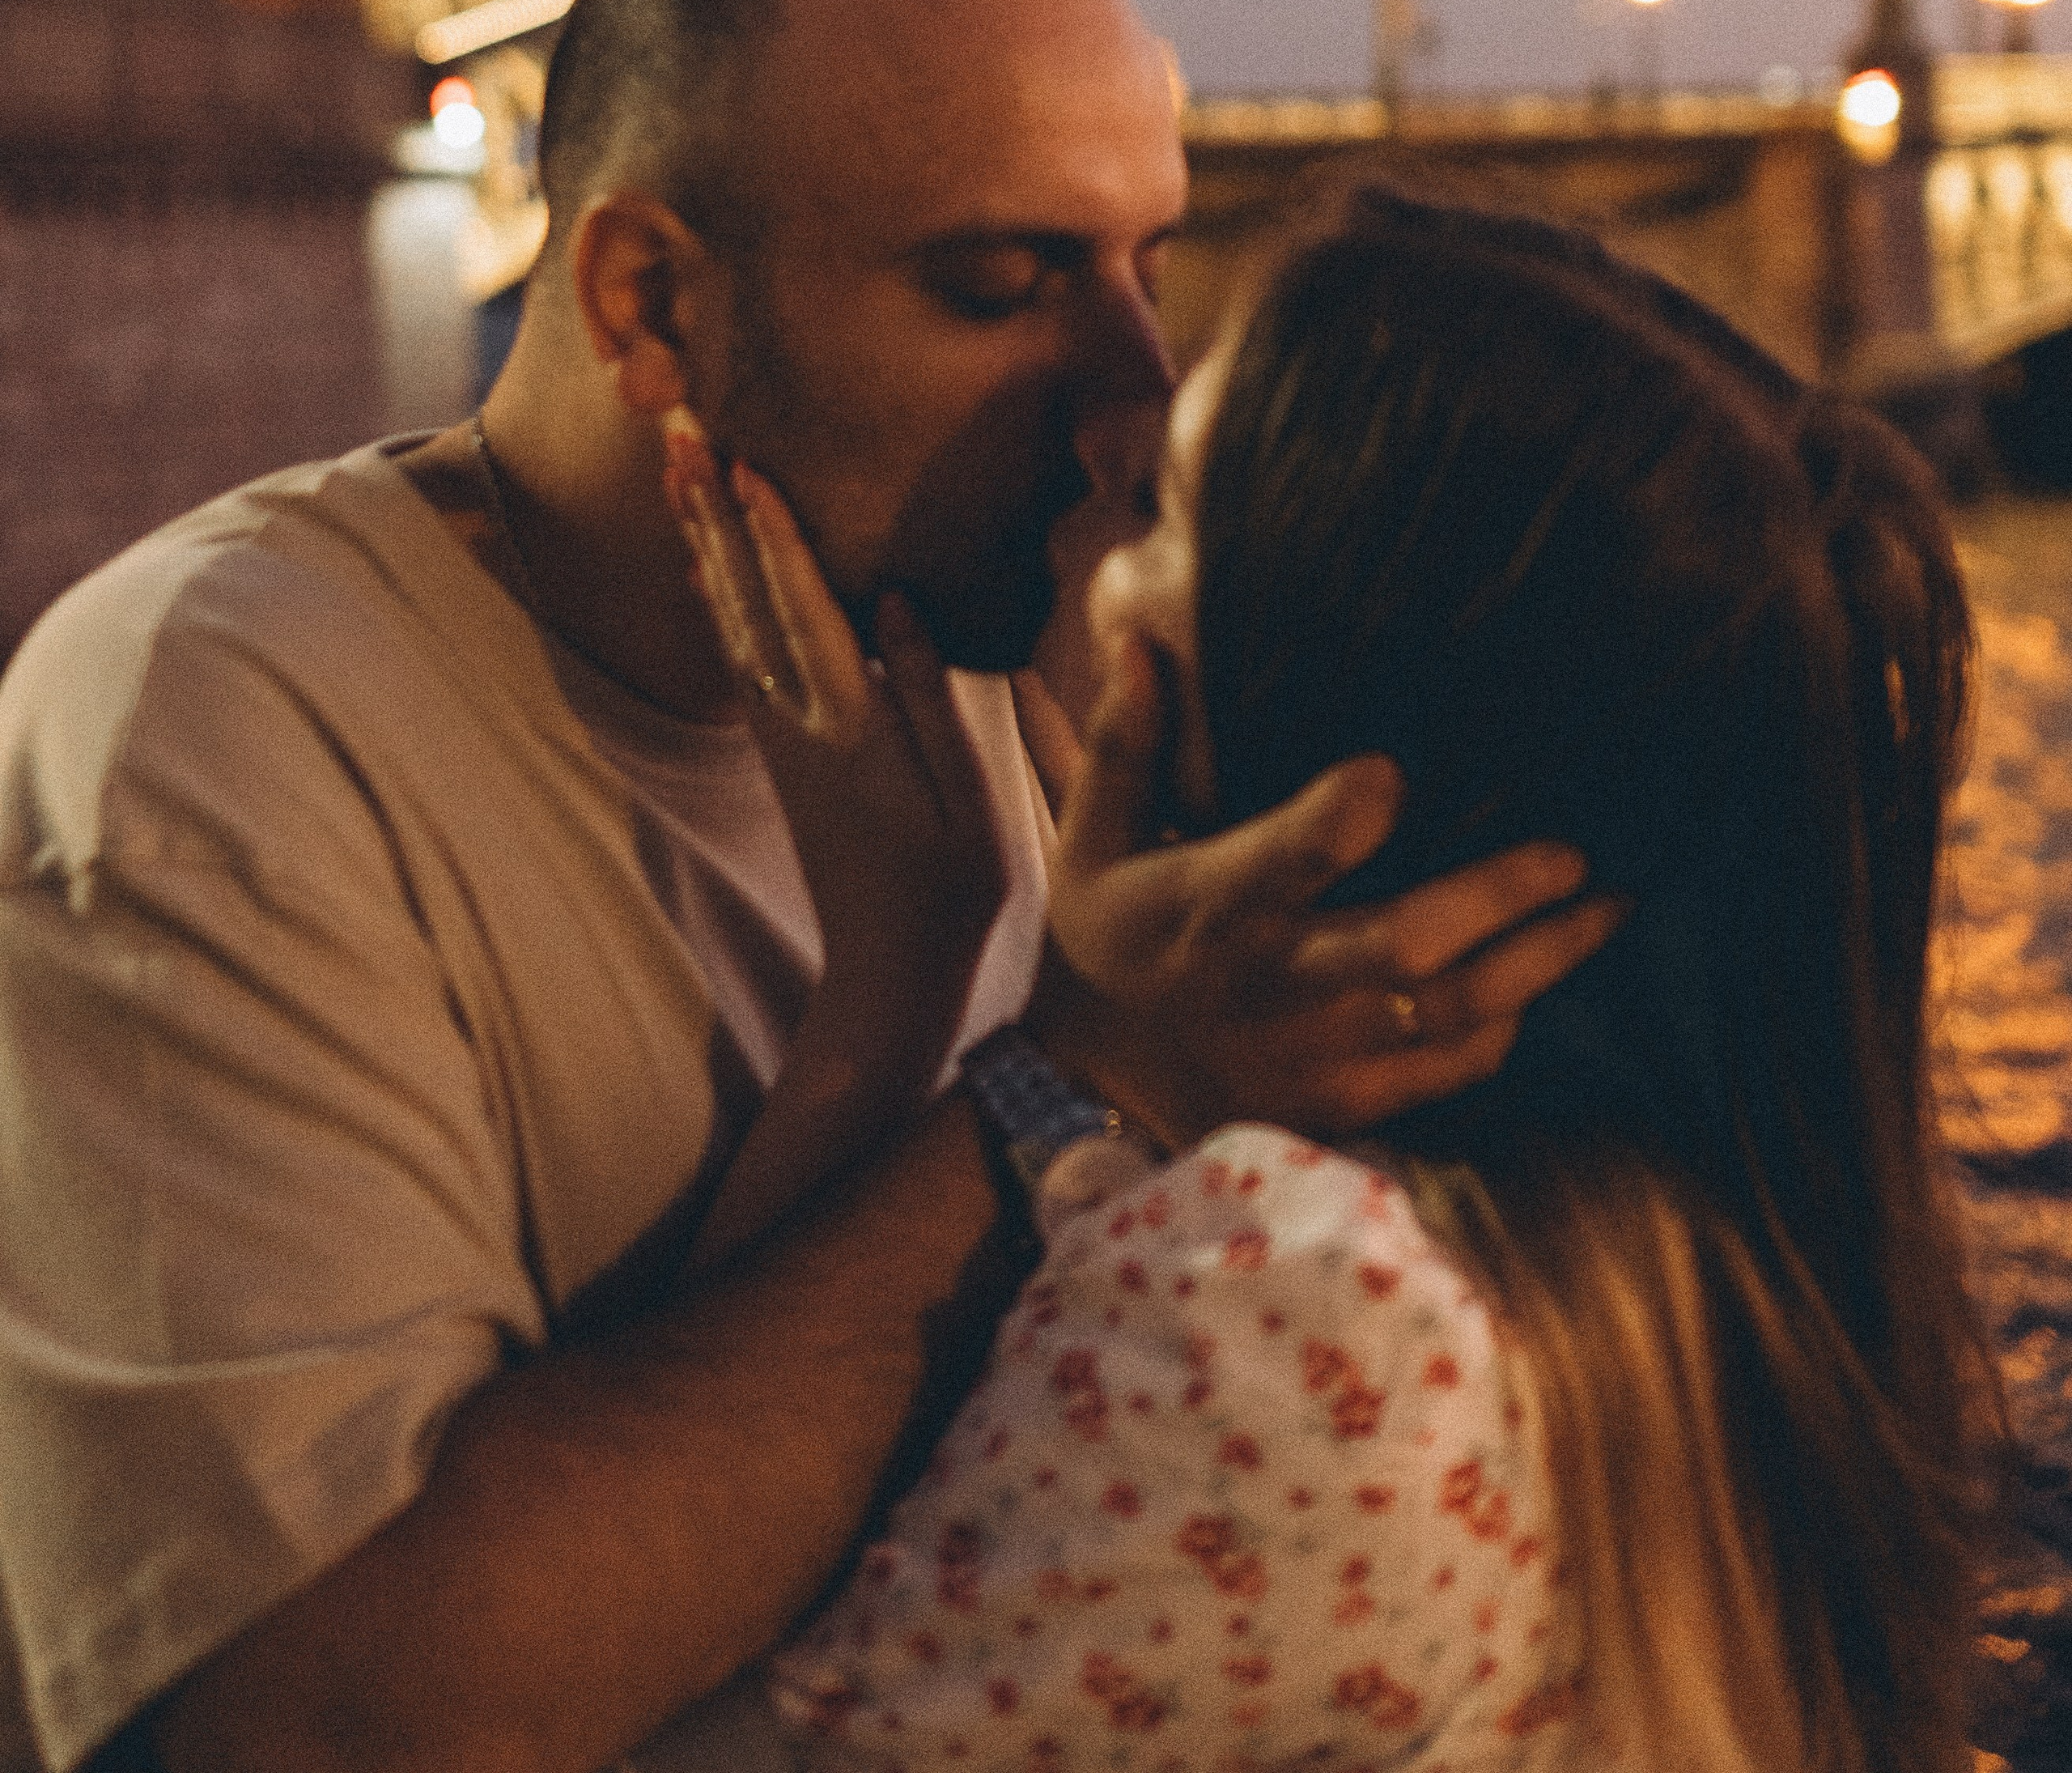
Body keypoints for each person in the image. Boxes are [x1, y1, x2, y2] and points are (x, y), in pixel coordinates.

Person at [0, 0, 1618, 1773]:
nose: (1137, 395)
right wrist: (1074, 1078)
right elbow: (308, 1727)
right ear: (651, 302)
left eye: (1147, 267)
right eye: (1005, 283)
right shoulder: (221, 725)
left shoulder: (1015, 636)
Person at [683, 185, 1989, 1772]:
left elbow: (611, 1727)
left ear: (1311, 694)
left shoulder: (1295, 1308)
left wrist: (976, 1028)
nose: (1096, 454)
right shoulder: (1700, 1251)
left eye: (1166, 505)